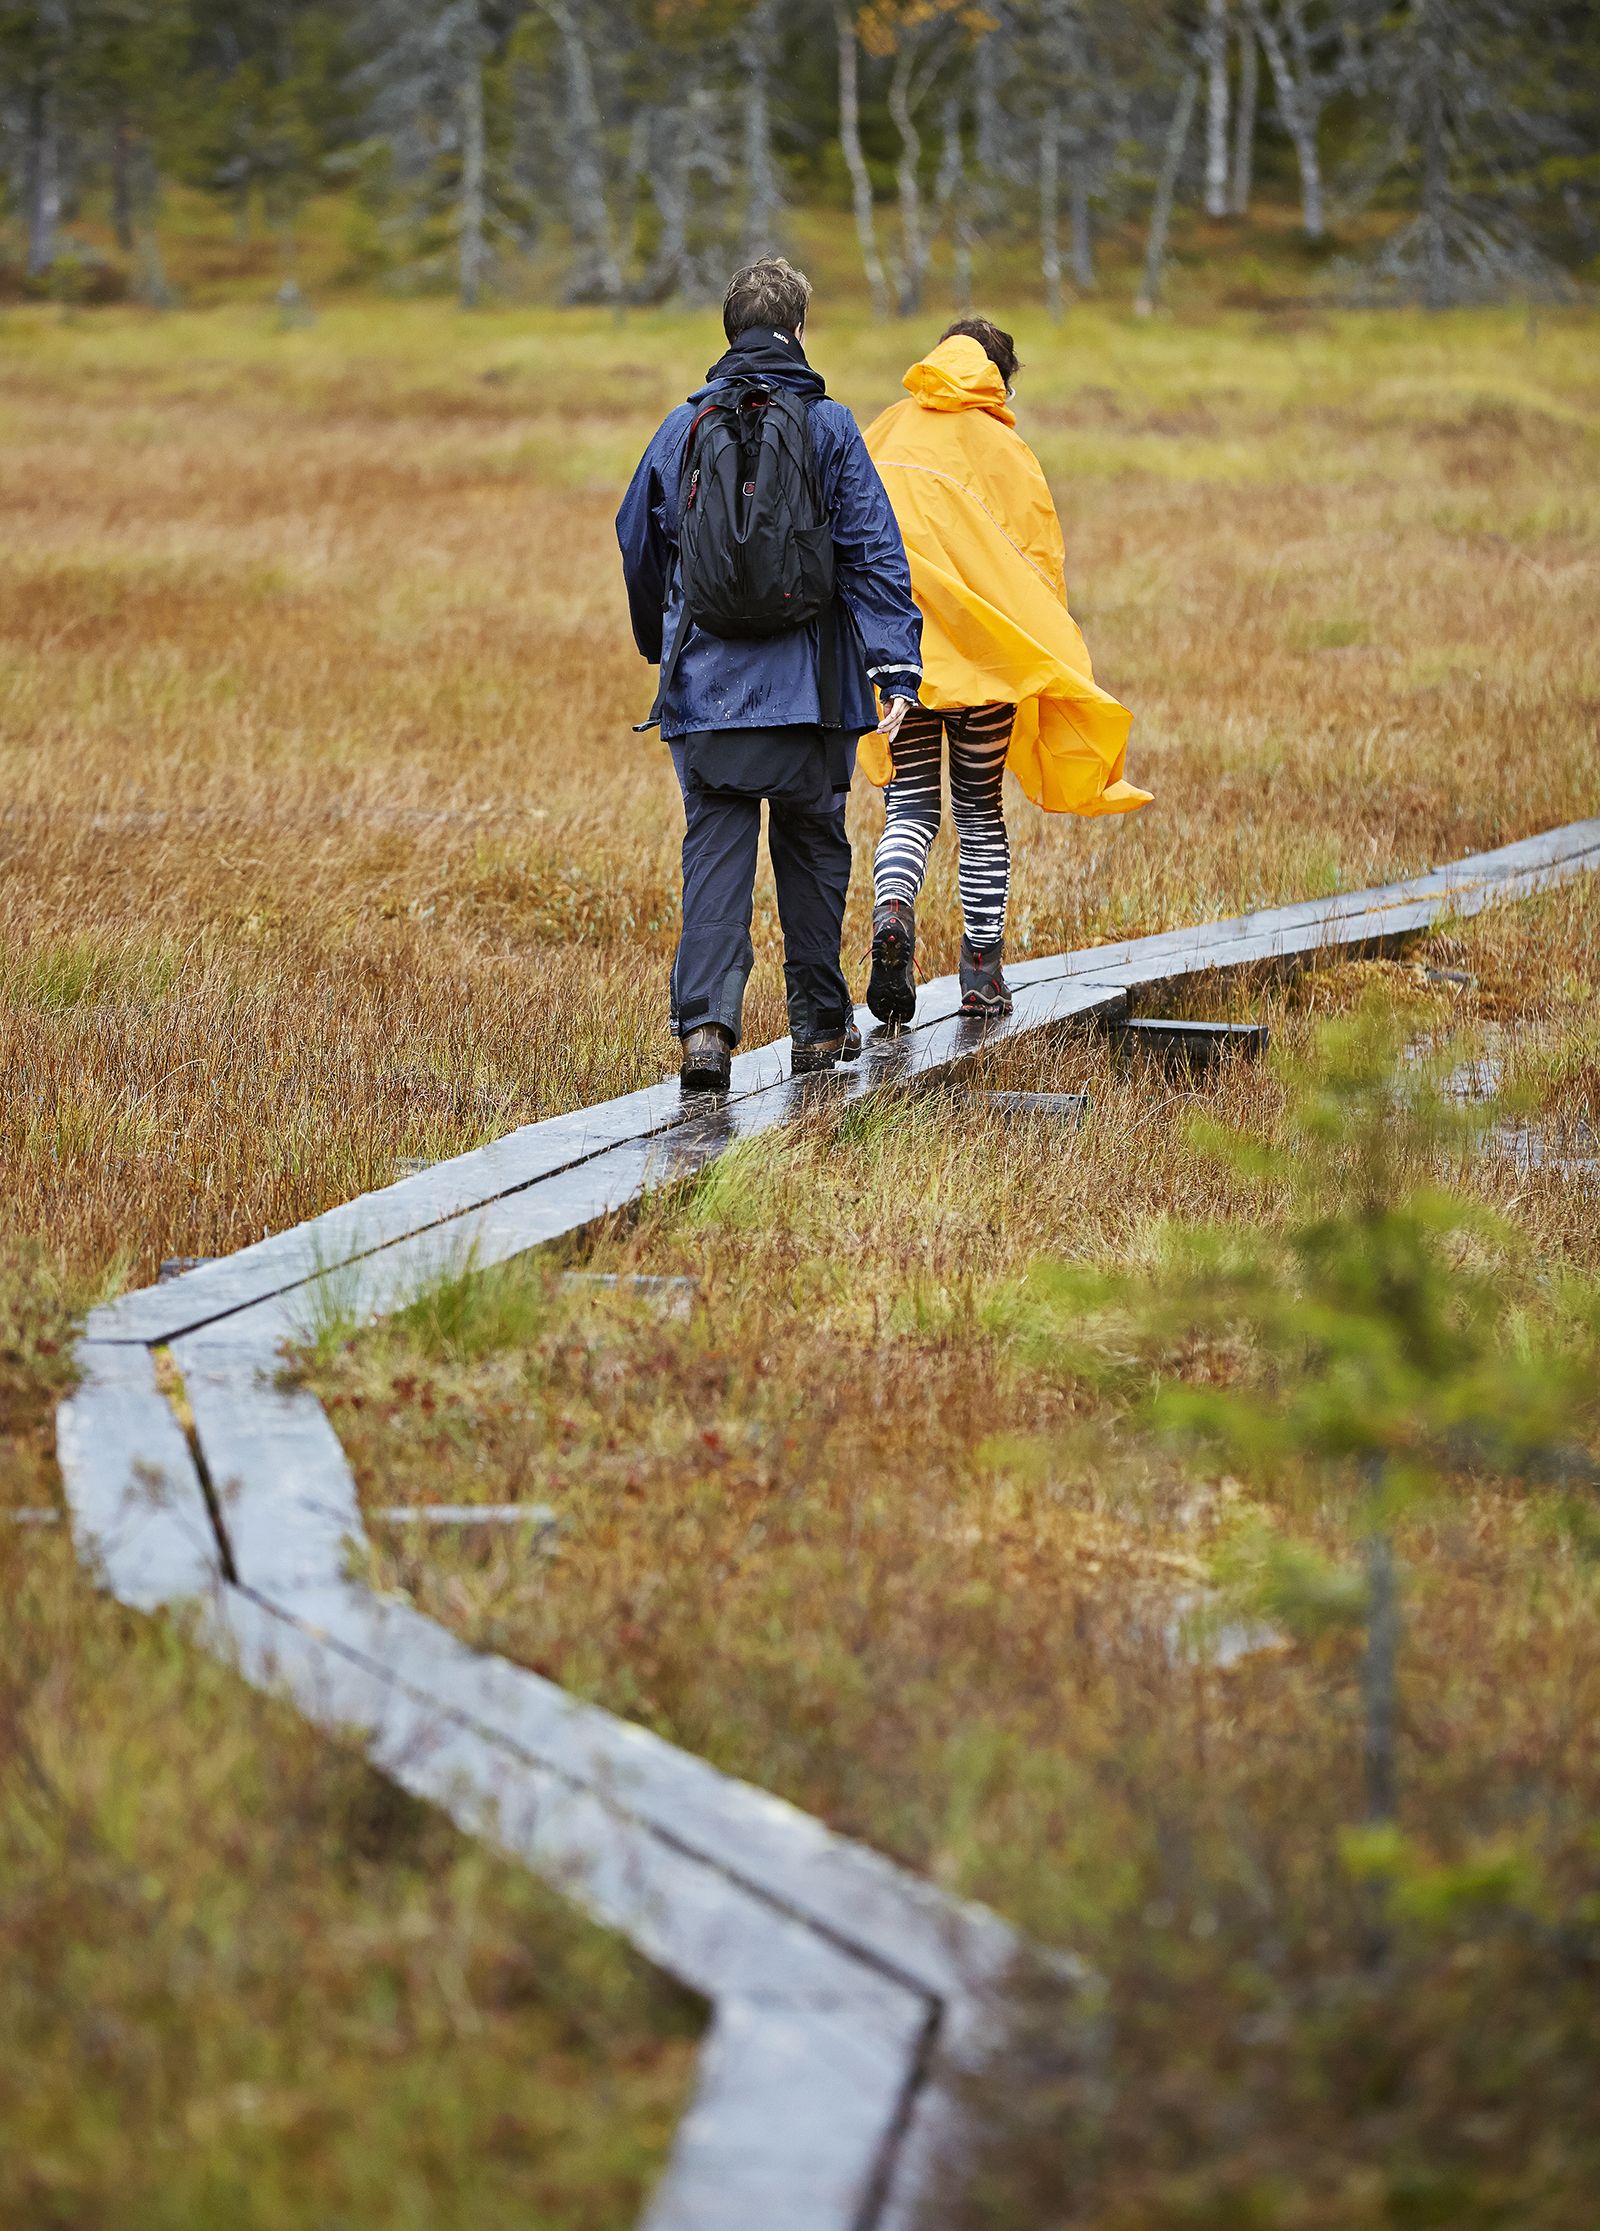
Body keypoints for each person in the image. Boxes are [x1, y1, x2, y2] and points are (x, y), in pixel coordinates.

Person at [617, 257, 924, 1093]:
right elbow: (872, 551)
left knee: (714, 856)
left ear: (728, 331)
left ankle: (708, 1033)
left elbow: (638, 544)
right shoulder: (829, 427)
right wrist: (896, 667)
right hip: (809, 701)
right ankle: (821, 1029)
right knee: (814, 849)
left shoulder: (679, 429)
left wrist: (662, 644)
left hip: (705, 701)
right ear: (798, 328)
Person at [859, 318, 1150, 1024]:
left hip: (903, 663)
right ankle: (982, 974)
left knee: (911, 808)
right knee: (980, 811)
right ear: (999, 378)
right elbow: (1038, 560)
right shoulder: (1005, 447)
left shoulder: (886, 431)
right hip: (987, 667)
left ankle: (893, 912)